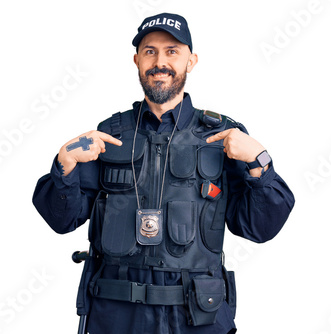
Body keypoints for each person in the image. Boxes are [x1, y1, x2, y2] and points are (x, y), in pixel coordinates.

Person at [32, 12, 295, 334]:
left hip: (197, 315)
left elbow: (258, 229)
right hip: (117, 314)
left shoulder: (223, 135)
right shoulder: (108, 135)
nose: (160, 61)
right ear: (137, 60)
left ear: (191, 61)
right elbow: (63, 221)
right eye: (150, 51)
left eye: (172, 51)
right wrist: (64, 166)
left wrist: (259, 162)